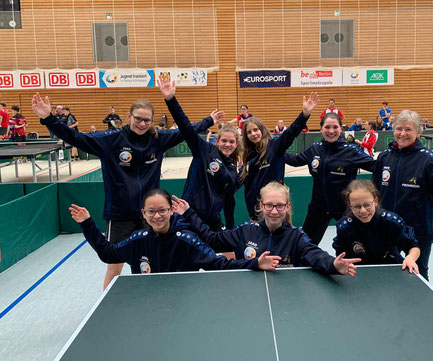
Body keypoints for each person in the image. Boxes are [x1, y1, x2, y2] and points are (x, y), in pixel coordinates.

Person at [31, 92, 219, 289]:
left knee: (152, 262)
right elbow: (75, 137)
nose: (142, 123)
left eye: (147, 120)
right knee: (114, 265)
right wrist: (48, 118)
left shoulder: (159, 140)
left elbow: (186, 131)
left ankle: (153, 299)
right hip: (119, 214)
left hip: (150, 214)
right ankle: (108, 309)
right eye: (138, 118)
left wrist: (209, 121)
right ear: (129, 117)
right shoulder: (110, 140)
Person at [69, 188, 280, 274]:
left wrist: (254, 263)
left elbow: (219, 264)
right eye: (151, 211)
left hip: (183, 303)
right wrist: (88, 223)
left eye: (162, 210)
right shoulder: (137, 240)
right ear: (143, 213)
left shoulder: (186, 240)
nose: (157, 216)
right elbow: (108, 254)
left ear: (171, 211)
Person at [172, 181, 360, 276]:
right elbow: (212, 239)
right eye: (269, 205)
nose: (274, 211)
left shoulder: (296, 236)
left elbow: (314, 254)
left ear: (287, 207)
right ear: (261, 206)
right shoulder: (245, 231)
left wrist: (333, 265)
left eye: (279, 205)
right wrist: (189, 213)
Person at [372, 110, 433, 280]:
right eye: (399, 129)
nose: (402, 133)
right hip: (387, 229)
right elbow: (374, 192)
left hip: (419, 231)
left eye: (408, 129)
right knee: (387, 273)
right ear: (393, 130)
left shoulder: (428, 160)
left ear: (418, 132)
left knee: (419, 273)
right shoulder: (384, 157)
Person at [159, 77, 241, 232]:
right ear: (217, 140)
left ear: (237, 144)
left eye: (232, 142)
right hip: (189, 216)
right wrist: (170, 99)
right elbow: (185, 126)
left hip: (213, 221)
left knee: (231, 252)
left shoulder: (232, 169)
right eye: (224, 140)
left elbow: (229, 202)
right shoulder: (204, 150)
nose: (227, 145)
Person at [284, 113, 375, 245]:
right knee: (304, 246)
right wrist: (276, 149)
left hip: (345, 209)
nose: (331, 131)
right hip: (318, 207)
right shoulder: (315, 149)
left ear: (341, 129)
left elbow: (375, 166)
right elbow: (294, 160)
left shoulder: (351, 151)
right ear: (321, 129)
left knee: (354, 248)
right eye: (327, 127)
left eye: (335, 127)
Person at [241, 92, 318, 220]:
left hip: (277, 206)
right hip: (259, 209)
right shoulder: (248, 156)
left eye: (256, 130)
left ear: (262, 130)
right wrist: (251, 214)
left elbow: (291, 132)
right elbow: (248, 189)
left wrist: (304, 115)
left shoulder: (275, 146)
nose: (253, 134)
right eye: (249, 132)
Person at [333, 180, 420, 273]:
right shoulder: (344, 227)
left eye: (367, 205)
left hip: (391, 271)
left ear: (375, 201)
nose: (363, 210)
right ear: (350, 206)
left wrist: (410, 258)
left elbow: (413, 246)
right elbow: (341, 256)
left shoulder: (392, 222)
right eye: (357, 206)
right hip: (359, 273)